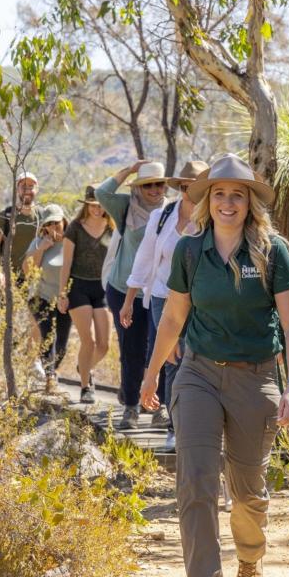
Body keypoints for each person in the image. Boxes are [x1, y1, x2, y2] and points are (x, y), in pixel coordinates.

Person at [140, 154, 289, 577]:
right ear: (206, 201)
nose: (227, 202)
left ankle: (251, 558)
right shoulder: (190, 252)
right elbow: (172, 318)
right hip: (196, 373)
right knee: (194, 479)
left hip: (255, 379)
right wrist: (152, 374)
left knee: (247, 492)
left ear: (250, 202)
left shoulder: (273, 251)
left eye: (237, 194)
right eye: (218, 193)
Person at [120, 160, 208, 451]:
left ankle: (198, 423)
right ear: (180, 187)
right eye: (184, 187)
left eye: (195, 187)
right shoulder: (162, 217)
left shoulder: (211, 220)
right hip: (162, 296)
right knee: (172, 358)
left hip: (200, 300)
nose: (189, 193)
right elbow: (144, 259)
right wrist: (130, 299)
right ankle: (174, 428)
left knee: (197, 359)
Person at [95, 160, 169, 429]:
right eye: (147, 184)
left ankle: (159, 407)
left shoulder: (171, 211)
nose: (154, 189)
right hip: (124, 290)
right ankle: (130, 406)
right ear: (138, 187)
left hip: (158, 292)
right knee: (131, 349)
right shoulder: (126, 206)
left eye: (159, 184)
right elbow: (101, 194)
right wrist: (129, 169)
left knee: (159, 350)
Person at [58, 186, 112, 404]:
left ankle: (84, 367)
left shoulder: (112, 228)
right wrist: (62, 293)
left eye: (100, 205)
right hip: (78, 287)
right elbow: (67, 262)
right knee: (87, 341)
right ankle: (85, 386)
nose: (97, 209)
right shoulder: (74, 228)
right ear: (86, 205)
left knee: (104, 345)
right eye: (93, 205)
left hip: (103, 288)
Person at [0, 170, 44, 377]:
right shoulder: (5, 216)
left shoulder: (42, 216)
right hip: (9, 277)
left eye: (31, 186)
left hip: (34, 277)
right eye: (23, 186)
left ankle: (33, 361)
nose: (27, 190)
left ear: (36, 189)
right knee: (10, 323)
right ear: (17, 189)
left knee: (36, 318)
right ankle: (8, 366)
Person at [22, 203, 72, 392]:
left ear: (63, 221)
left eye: (56, 222)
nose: (53, 227)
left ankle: (52, 369)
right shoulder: (37, 242)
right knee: (47, 337)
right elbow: (28, 271)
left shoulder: (70, 241)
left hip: (65, 298)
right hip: (40, 297)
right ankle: (50, 376)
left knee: (62, 342)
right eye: (49, 224)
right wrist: (41, 249)